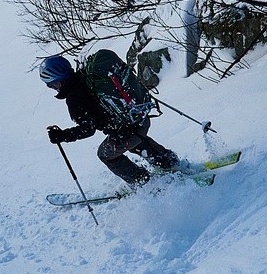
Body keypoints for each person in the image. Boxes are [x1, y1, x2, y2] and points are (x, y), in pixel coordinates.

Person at [40, 54, 180, 184]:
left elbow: (88, 129)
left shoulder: (74, 98)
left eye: (51, 84)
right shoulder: (86, 76)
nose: (52, 88)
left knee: (105, 154)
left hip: (129, 130)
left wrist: (63, 136)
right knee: (131, 140)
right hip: (139, 118)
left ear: (58, 80)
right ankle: (169, 162)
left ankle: (143, 182)